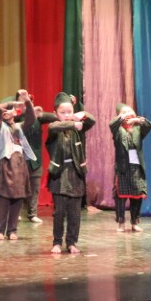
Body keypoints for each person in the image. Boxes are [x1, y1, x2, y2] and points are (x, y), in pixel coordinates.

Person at [46, 92, 96, 254]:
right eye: (63, 112)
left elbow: (91, 120)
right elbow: (53, 127)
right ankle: (57, 242)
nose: (67, 115)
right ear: (55, 113)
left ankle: (72, 242)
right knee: (59, 212)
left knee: (75, 213)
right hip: (59, 175)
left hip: (76, 174)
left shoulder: (77, 129)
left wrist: (80, 113)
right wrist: (73, 124)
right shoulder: (55, 128)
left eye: (69, 112)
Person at [0, 90, 36, 240]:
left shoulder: (19, 127)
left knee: (18, 198)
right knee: (4, 199)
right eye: (5, 110)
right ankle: (0, 230)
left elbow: (31, 119)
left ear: (15, 113)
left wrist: (27, 101)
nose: (5, 112)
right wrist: (12, 104)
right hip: (6, 165)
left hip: (19, 165)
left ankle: (12, 230)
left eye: (9, 110)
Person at [110, 104, 151, 233]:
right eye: (124, 112)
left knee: (137, 196)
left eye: (130, 111)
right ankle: (121, 222)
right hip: (123, 167)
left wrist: (137, 120)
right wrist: (123, 117)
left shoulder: (137, 128)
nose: (128, 113)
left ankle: (134, 222)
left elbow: (148, 126)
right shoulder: (117, 129)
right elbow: (112, 124)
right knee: (120, 198)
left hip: (136, 167)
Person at [16, 92, 57, 224]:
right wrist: (29, 113)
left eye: (28, 102)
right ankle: (15, 212)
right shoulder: (15, 117)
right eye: (23, 102)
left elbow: (54, 117)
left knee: (35, 187)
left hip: (35, 159)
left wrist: (40, 114)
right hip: (19, 159)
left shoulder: (37, 117)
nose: (26, 104)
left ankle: (32, 213)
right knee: (18, 187)